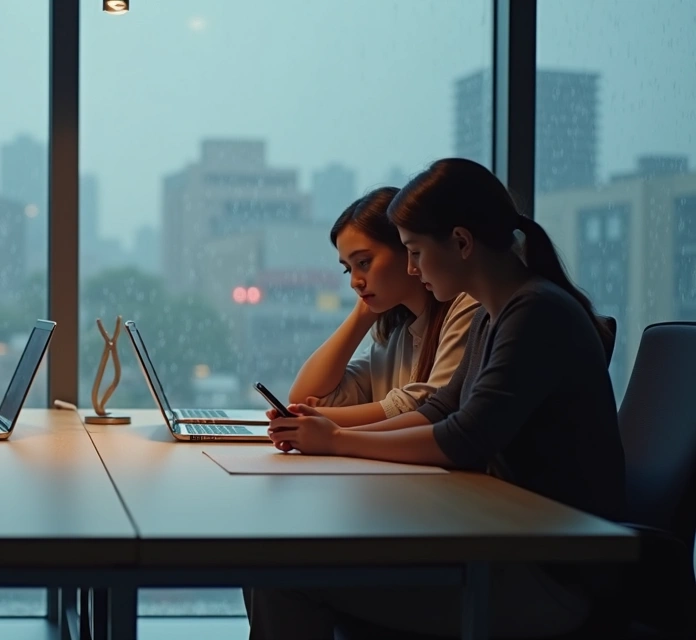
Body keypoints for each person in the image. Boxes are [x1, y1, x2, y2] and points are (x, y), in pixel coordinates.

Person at [249, 158, 625, 639]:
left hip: (549, 579)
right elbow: (440, 409)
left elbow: (464, 438)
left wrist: (338, 440)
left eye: (415, 252)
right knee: (276, 564)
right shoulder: (495, 314)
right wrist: (332, 434)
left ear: (462, 243)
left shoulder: (535, 313)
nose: (411, 268)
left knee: (280, 574)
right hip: (508, 545)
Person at [287, 187, 478, 427]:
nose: (354, 282)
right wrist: (361, 315)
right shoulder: (397, 335)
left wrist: (315, 420)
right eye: (348, 269)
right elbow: (305, 396)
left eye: (364, 262)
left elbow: (428, 407)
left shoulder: (466, 306)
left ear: (408, 248)